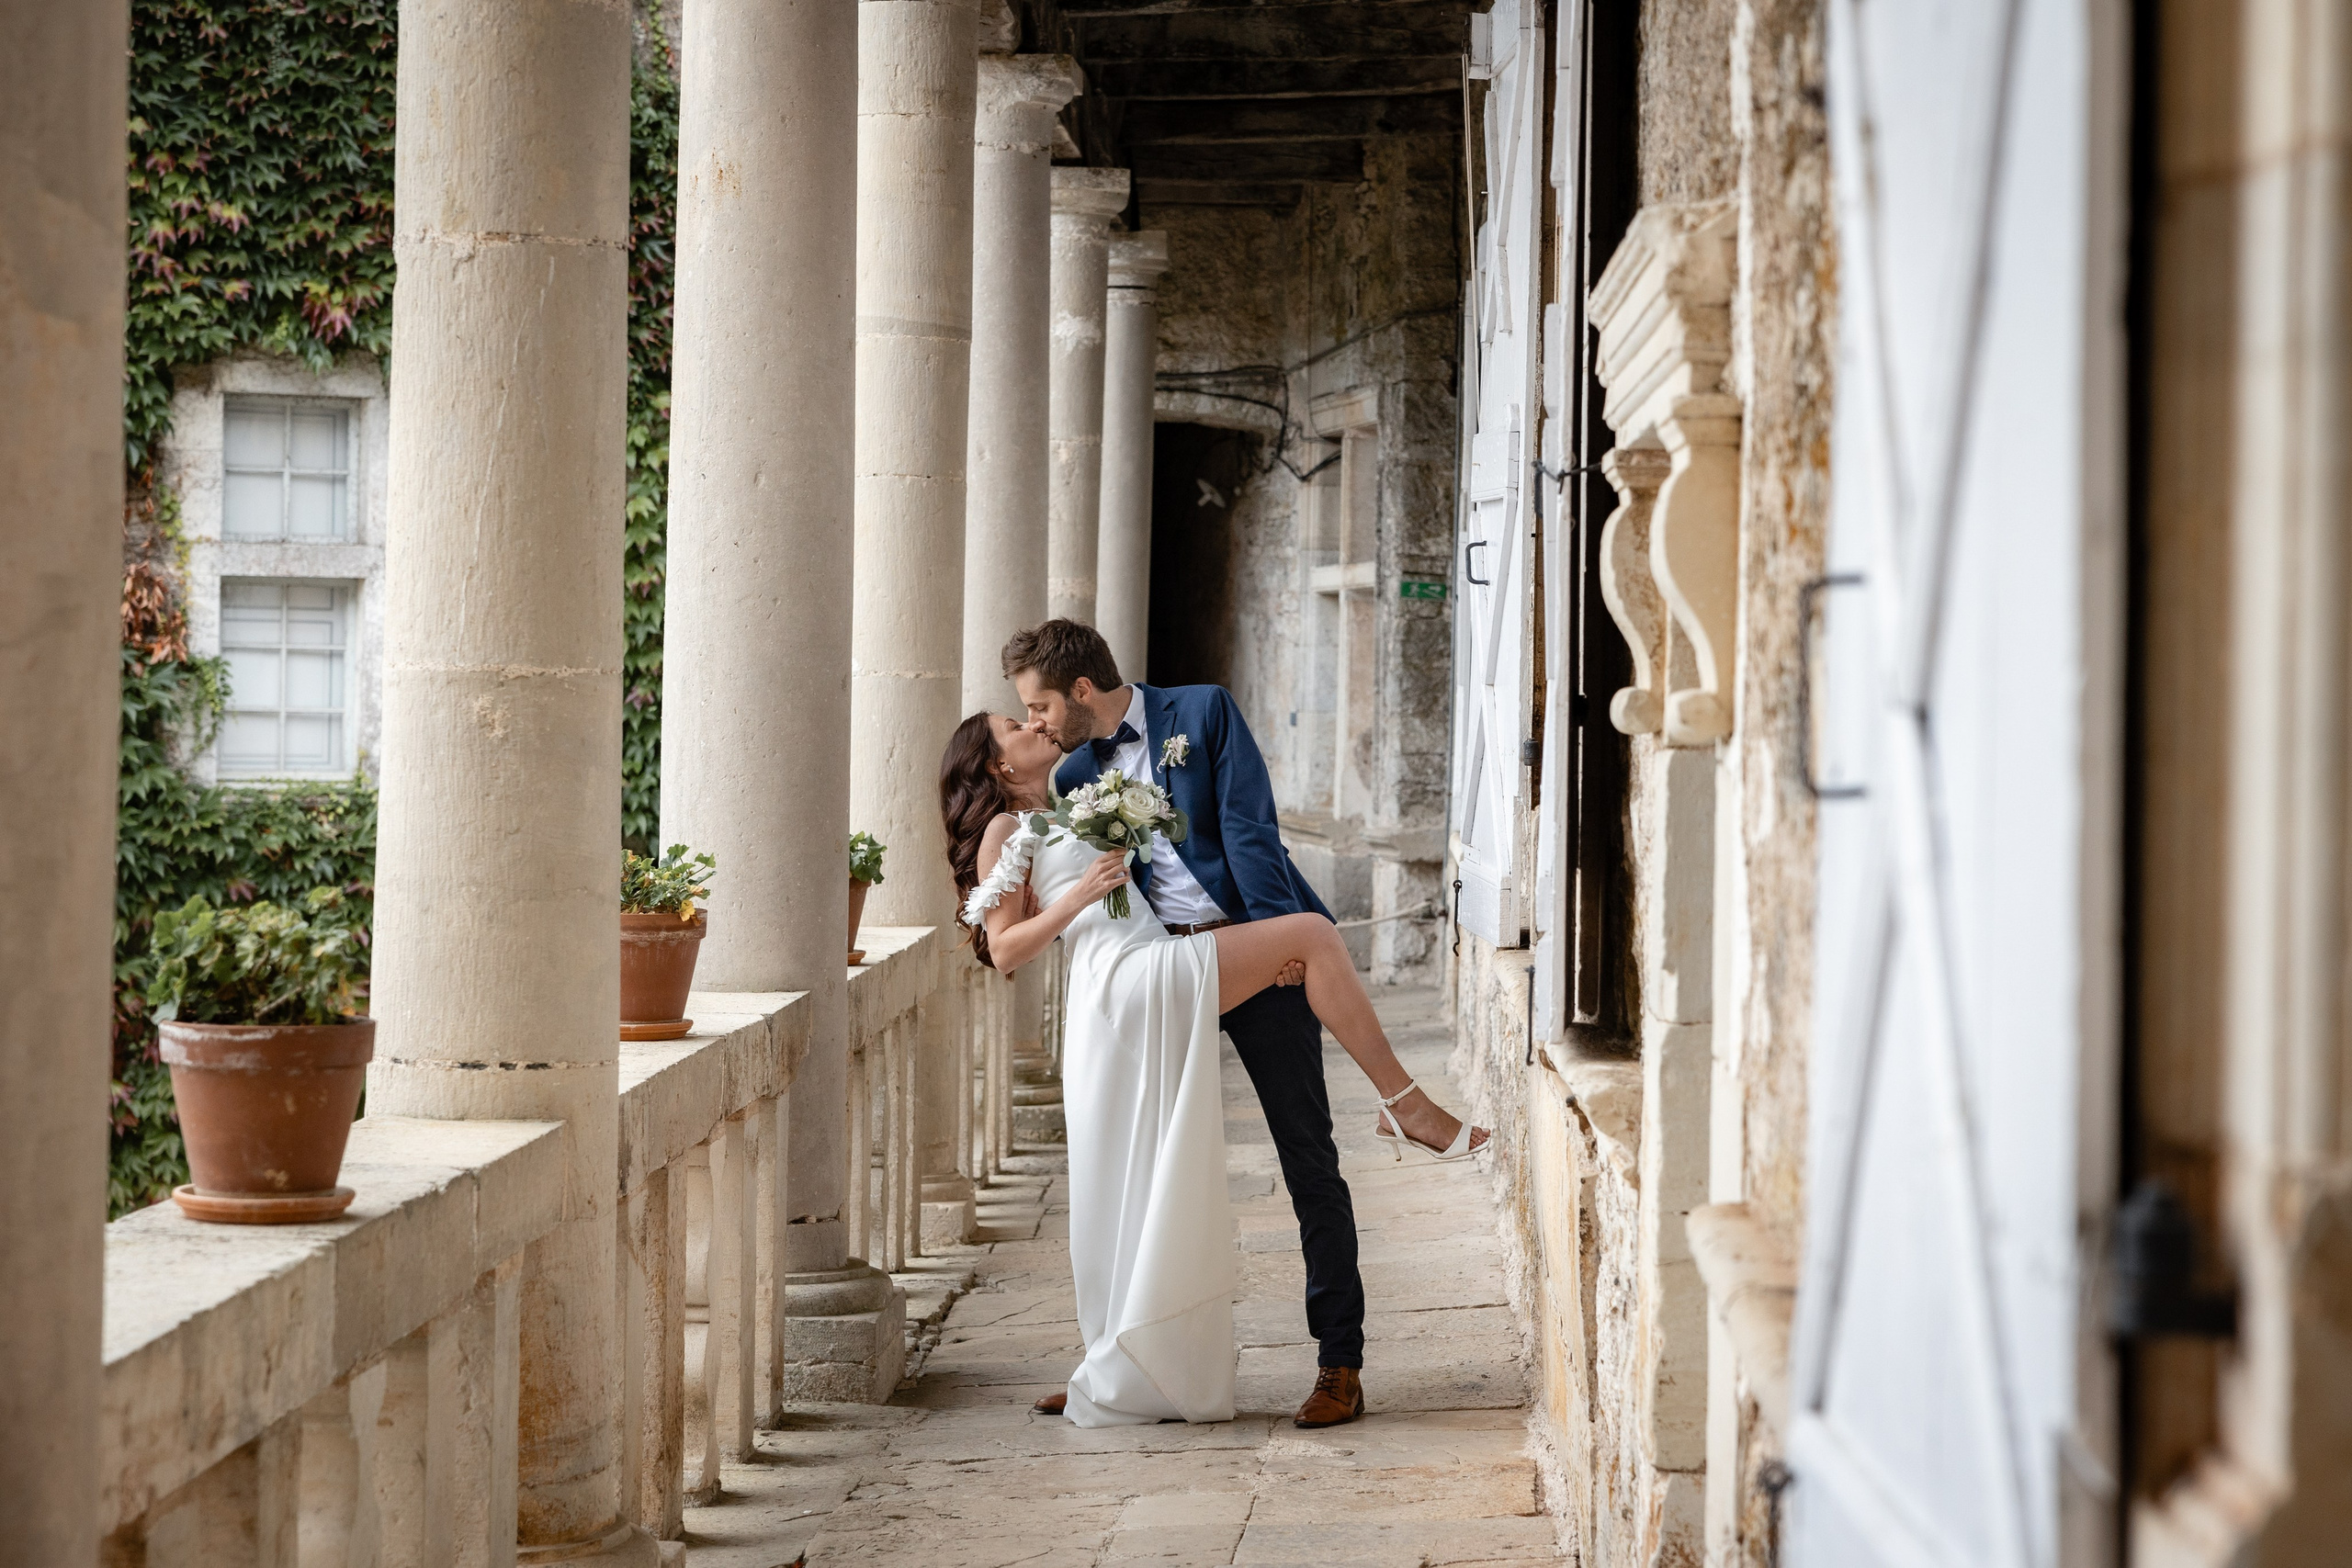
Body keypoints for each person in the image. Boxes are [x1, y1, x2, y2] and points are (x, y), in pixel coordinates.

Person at [937, 620, 1487, 1430]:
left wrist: (1275, 942)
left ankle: (1340, 1364)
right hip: (1155, 972)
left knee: (1309, 1158)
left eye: (1040, 706)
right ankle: (1114, 1367)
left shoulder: (1202, 712)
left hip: (1242, 956)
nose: (1038, 722)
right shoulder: (1072, 776)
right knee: (1133, 1174)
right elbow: (1029, 913)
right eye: (1024, 717)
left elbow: (1251, 832)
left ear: (1081, 688)